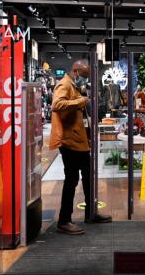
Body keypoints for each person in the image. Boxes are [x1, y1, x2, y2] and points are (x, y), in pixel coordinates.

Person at [49, 60, 112, 235]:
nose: (84, 81)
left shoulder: (73, 86)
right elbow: (57, 105)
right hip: (70, 142)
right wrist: (81, 100)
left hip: (79, 141)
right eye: (83, 76)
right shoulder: (64, 84)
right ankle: (64, 221)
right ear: (75, 72)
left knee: (88, 177)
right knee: (71, 180)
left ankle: (91, 213)